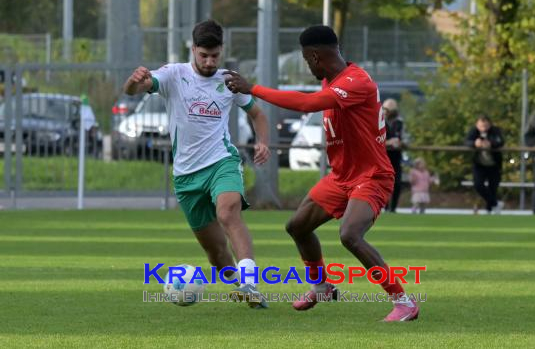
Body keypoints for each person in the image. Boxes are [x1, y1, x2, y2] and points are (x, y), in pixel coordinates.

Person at [224, 25, 419, 322]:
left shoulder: (356, 81)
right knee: (297, 226)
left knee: (350, 235)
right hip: (341, 176)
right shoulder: (333, 78)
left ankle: (404, 302)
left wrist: (254, 89)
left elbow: (306, 104)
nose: (307, 65)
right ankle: (322, 285)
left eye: (305, 59)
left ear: (315, 55)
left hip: (372, 176)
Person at [123, 20, 270, 308]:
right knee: (216, 252)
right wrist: (133, 80)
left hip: (221, 161)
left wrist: (262, 141)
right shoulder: (173, 75)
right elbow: (132, 91)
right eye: (204, 55)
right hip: (186, 175)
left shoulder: (230, 80)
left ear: (222, 51)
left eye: (215, 55)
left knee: (228, 213)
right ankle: (240, 289)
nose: (209, 61)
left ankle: (250, 282)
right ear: (193, 50)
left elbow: (258, 114)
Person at [464, 115, 505, 214]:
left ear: (489, 124)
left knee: (493, 188)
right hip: (479, 164)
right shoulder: (473, 131)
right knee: (478, 185)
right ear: (477, 125)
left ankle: (489, 210)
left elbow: (501, 141)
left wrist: (491, 144)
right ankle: (495, 204)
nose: (484, 128)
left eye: (486, 126)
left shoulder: (495, 131)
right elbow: (466, 141)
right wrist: (474, 143)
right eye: (481, 126)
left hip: (494, 165)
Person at [382, 98, 407, 213]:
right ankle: (385, 207)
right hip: (382, 157)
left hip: (396, 157)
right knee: (384, 183)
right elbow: (373, 139)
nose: (385, 111)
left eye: (387, 109)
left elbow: (407, 139)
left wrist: (401, 143)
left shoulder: (400, 123)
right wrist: (387, 142)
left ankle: (393, 208)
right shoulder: (379, 121)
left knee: (397, 183)